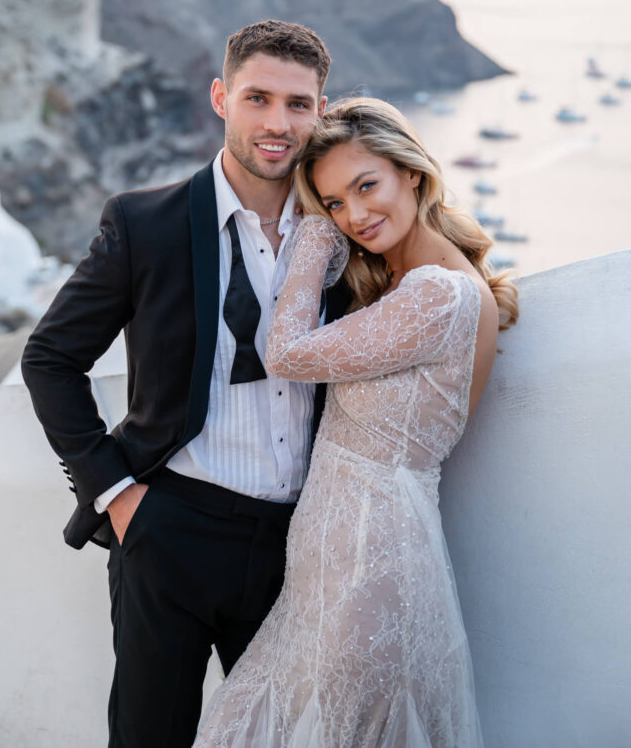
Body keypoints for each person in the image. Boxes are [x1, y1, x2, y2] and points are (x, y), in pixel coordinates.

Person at [21, 19, 344, 748]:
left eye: (298, 104)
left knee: (292, 738)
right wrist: (116, 495)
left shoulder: (345, 230)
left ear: (321, 112)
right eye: (258, 97)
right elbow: (49, 359)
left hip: (302, 540)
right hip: (170, 529)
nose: (277, 122)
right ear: (221, 97)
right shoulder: (145, 223)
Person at [194, 97, 519, 748]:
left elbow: (284, 352)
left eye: (365, 186)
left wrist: (312, 239)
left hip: (371, 560)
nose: (355, 216)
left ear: (414, 175)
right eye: (334, 203)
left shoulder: (437, 292)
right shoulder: (410, 283)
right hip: (340, 559)